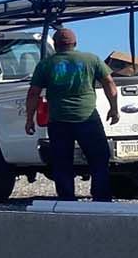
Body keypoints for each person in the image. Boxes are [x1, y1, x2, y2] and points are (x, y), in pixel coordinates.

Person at [25, 26, 120, 202]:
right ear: (75, 43)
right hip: (87, 118)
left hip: (59, 120)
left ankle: (67, 199)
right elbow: (109, 83)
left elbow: (33, 93)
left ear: (55, 44)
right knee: (99, 158)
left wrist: (29, 119)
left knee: (62, 162)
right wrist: (114, 108)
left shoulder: (46, 64)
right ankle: (101, 197)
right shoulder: (92, 59)